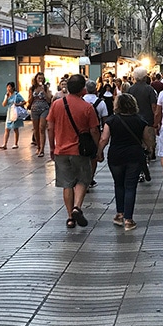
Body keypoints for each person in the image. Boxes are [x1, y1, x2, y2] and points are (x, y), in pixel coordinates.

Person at [47, 74, 100, 229]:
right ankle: (77, 206)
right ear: (83, 89)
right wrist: (98, 149)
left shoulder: (57, 104)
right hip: (80, 151)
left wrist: (52, 147)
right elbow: (94, 131)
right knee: (84, 179)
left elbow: (50, 127)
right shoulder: (87, 107)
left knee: (67, 184)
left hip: (61, 150)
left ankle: (70, 217)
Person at [97, 93, 154, 231]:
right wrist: (149, 149)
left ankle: (119, 214)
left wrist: (99, 152)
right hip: (134, 156)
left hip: (116, 156)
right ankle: (128, 220)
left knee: (118, 184)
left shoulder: (111, 121)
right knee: (130, 187)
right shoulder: (140, 121)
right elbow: (148, 140)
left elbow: (104, 139)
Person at [128, 66, 158, 172]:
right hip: (147, 121)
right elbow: (154, 106)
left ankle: (138, 163)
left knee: (136, 142)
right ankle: (146, 161)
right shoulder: (150, 89)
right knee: (148, 143)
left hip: (133, 120)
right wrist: (156, 120)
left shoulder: (130, 89)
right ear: (145, 77)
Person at [84, 79, 109, 188]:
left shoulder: (81, 100)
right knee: (93, 156)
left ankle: (83, 177)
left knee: (83, 155)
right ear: (95, 89)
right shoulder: (101, 102)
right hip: (95, 129)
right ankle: (90, 178)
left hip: (82, 131)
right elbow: (105, 119)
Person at [28, 73, 52, 157]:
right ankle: (38, 146)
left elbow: (49, 100)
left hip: (44, 109)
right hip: (34, 109)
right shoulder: (32, 88)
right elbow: (30, 100)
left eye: (42, 78)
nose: (40, 80)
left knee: (42, 128)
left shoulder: (45, 88)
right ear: (36, 79)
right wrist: (31, 96)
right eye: (39, 78)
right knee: (36, 129)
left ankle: (42, 149)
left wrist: (44, 92)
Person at [0, 82, 26, 150]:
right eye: (7, 87)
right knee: (7, 129)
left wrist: (18, 104)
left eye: (10, 87)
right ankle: (5, 144)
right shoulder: (7, 95)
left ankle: (15, 143)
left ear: (13, 88)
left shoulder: (17, 95)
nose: (8, 88)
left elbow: (24, 101)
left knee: (15, 128)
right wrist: (6, 97)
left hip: (15, 113)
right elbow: (4, 104)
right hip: (9, 113)